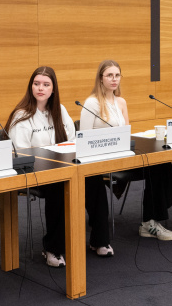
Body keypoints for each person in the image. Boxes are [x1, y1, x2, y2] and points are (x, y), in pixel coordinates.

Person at [80, 60, 172, 241]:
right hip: (101, 163)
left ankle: (151, 223)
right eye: (109, 75)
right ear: (100, 78)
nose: (114, 79)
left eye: (117, 75)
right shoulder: (92, 103)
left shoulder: (121, 102)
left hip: (122, 156)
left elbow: (126, 133)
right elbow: (84, 140)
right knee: (157, 166)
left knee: (157, 163)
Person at [6, 66, 112, 264]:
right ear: (30, 86)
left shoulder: (60, 110)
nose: (40, 88)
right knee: (59, 185)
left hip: (63, 167)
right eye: (36, 84)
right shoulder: (22, 115)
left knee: (94, 179)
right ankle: (53, 249)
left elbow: (73, 141)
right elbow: (20, 153)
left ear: (53, 89)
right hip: (35, 173)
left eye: (46, 85)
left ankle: (100, 240)